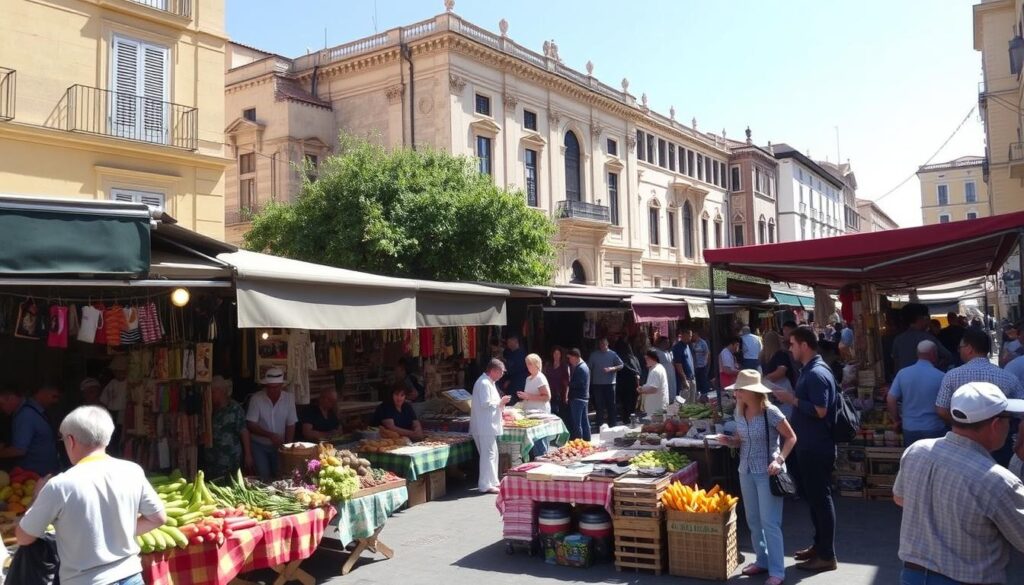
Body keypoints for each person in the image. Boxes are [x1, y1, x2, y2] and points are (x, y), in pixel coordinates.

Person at [16, 406, 167, 585]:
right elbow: (157, 518)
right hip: (131, 577)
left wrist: (36, 496)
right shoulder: (132, 471)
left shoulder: (60, 485)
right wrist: (115, 533)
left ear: (70, 441)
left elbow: (23, 537)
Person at [893, 382, 1024, 585]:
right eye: (1010, 420)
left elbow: (900, 498)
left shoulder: (916, 451)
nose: (1011, 427)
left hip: (913, 576)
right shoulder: (997, 480)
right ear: (995, 424)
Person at [720, 370, 797, 585]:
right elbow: (741, 439)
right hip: (745, 470)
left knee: (770, 522)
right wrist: (730, 441)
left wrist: (779, 460)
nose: (735, 392)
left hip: (767, 472)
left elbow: (791, 437)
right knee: (753, 520)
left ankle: (778, 571)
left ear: (749, 392)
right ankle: (762, 560)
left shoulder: (770, 412)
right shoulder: (739, 411)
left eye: (739, 389)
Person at [772, 327, 838, 573]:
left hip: (815, 445)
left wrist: (792, 400)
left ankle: (826, 554)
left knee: (821, 500)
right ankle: (819, 546)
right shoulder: (810, 371)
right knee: (814, 499)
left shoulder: (816, 373)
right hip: (809, 444)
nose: (790, 349)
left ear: (804, 345)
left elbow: (820, 410)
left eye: (792, 344)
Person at [935, 328, 1024, 466]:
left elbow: (941, 410)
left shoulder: (952, 376)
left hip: (962, 442)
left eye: (961, 347)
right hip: (999, 442)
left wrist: (964, 424)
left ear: (969, 348)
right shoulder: (1008, 377)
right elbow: (1021, 411)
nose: (959, 351)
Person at [886, 341, 947, 446]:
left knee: (913, 460)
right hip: (934, 427)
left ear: (918, 354)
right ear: (933, 354)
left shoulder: (903, 374)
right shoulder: (941, 376)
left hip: (910, 427)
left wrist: (896, 420)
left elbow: (891, 399)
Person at [245, 367, 298, 481]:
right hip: (259, 445)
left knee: (280, 475)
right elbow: (250, 424)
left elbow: (291, 424)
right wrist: (270, 435)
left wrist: (287, 447)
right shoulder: (256, 399)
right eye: (270, 387)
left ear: (281, 386)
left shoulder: (289, 398)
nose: (272, 390)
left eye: (275, 387)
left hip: (279, 445)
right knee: (264, 476)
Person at [0, 385, 61, 476]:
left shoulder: (24, 415)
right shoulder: (32, 409)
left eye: (1, 404)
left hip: (35, 475)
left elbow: (19, 450)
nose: (1, 408)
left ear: (11, 398)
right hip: (46, 470)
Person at [470, 359, 511, 494]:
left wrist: (501, 404)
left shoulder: (489, 383)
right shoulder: (484, 383)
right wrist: (501, 402)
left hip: (488, 425)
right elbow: (485, 404)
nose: (501, 375)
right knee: (488, 455)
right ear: (493, 371)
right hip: (484, 425)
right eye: (500, 372)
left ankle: (493, 481)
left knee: (492, 453)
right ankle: (485, 484)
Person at [205, 376, 253, 480]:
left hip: (230, 460)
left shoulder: (235, 409)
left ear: (220, 391)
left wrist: (248, 455)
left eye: (212, 392)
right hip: (212, 461)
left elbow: (244, 432)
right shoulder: (209, 409)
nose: (210, 395)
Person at [892, 303, 952, 374]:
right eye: (927, 318)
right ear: (920, 319)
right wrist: (935, 367)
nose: (928, 321)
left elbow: (896, 364)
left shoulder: (898, 340)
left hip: (905, 381)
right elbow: (948, 357)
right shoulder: (928, 338)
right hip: (928, 380)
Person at [518, 353, 551, 458]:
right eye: (527, 364)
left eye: (530, 364)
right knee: (534, 444)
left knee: (540, 443)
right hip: (531, 414)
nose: (528, 366)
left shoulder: (540, 378)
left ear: (536, 364)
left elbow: (547, 397)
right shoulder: (528, 379)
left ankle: (542, 464)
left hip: (540, 414)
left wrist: (528, 396)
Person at [587, 338, 624, 428]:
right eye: (601, 344)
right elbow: (588, 368)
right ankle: (600, 425)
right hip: (597, 384)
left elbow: (621, 365)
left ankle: (613, 425)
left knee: (611, 405)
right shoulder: (594, 355)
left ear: (607, 344)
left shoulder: (613, 354)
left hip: (610, 384)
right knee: (599, 406)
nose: (602, 346)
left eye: (604, 344)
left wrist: (612, 368)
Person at [760, 331, 797, 417]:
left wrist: (765, 378)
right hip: (781, 389)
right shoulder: (781, 354)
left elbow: (779, 372)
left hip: (771, 388)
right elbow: (781, 372)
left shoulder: (764, 355)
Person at [100, 355, 129, 453]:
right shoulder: (112, 383)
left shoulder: (129, 382)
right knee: (113, 437)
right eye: (116, 371)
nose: (118, 373)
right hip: (112, 413)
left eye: (120, 371)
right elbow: (103, 399)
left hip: (124, 412)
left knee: (121, 435)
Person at [614, 339, 643, 423]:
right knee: (632, 404)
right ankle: (631, 419)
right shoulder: (634, 358)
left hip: (624, 385)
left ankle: (627, 420)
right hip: (634, 384)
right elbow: (639, 370)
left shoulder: (620, 358)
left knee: (625, 404)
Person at [567, 348, 592, 441]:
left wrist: (568, 383)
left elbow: (580, 384)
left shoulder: (581, 368)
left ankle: (579, 442)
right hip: (583, 398)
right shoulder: (583, 366)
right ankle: (587, 440)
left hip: (578, 398)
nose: (569, 360)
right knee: (584, 421)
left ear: (575, 357)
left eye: (570, 358)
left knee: (577, 423)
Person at [544, 346, 571, 425]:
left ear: (561, 355)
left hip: (561, 393)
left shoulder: (564, 366)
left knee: (561, 415)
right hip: (551, 393)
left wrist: (566, 395)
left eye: (558, 354)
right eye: (555, 353)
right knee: (552, 414)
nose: (556, 355)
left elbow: (567, 383)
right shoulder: (549, 366)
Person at [639, 350, 670, 416]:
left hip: (655, 408)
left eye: (646, 358)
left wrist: (641, 390)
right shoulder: (659, 367)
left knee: (656, 424)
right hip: (658, 406)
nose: (645, 360)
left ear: (652, 358)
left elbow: (653, 389)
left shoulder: (655, 371)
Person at [501, 336, 528, 405]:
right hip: (509, 386)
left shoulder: (521, 354)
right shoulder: (509, 353)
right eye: (508, 342)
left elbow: (518, 369)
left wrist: (509, 380)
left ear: (515, 342)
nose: (508, 343)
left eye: (510, 342)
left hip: (518, 385)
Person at [672, 329, 696, 401]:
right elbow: (678, 364)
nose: (690, 338)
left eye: (691, 336)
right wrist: (684, 379)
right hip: (685, 380)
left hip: (692, 378)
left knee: (692, 401)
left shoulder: (688, 346)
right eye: (689, 336)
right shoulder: (677, 347)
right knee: (685, 402)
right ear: (684, 335)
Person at [654, 337, 677, 403]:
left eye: (668, 342)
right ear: (661, 343)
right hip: (663, 375)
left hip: (671, 375)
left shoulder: (668, 352)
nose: (668, 344)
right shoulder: (656, 352)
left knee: (671, 391)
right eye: (666, 342)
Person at [691, 330, 711, 395]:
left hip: (702, 365)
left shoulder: (703, 343)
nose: (692, 337)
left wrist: (707, 364)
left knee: (703, 381)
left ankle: (704, 395)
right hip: (695, 366)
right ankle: (698, 395)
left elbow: (707, 353)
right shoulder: (692, 343)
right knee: (697, 382)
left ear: (697, 335)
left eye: (694, 335)